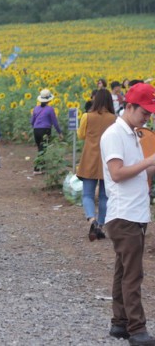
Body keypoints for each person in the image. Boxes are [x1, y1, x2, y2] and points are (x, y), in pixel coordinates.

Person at [99, 82, 155, 345]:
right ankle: (137, 329)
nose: (148, 117)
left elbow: (137, 172)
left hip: (134, 212)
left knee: (123, 271)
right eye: (144, 111)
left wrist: (150, 165)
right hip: (124, 214)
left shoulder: (133, 133)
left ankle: (119, 324)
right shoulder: (114, 135)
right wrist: (148, 161)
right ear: (129, 106)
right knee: (133, 274)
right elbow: (117, 173)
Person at [77, 88, 116, 241]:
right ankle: (100, 225)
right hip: (108, 159)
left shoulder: (87, 116)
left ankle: (91, 220)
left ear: (96, 100)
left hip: (89, 158)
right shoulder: (114, 119)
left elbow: (81, 135)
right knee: (104, 197)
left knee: (87, 194)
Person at [30, 88, 62, 155]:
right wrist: (59, 132)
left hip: (36, 130)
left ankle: (39, 164)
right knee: (44, 148)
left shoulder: (36, 108)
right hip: (45, 130)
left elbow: (32, 121)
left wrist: (36, 127)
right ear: (49, 100)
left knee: (39, 148)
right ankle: (41, 164)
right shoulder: (50, 109)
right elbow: (55, 123)